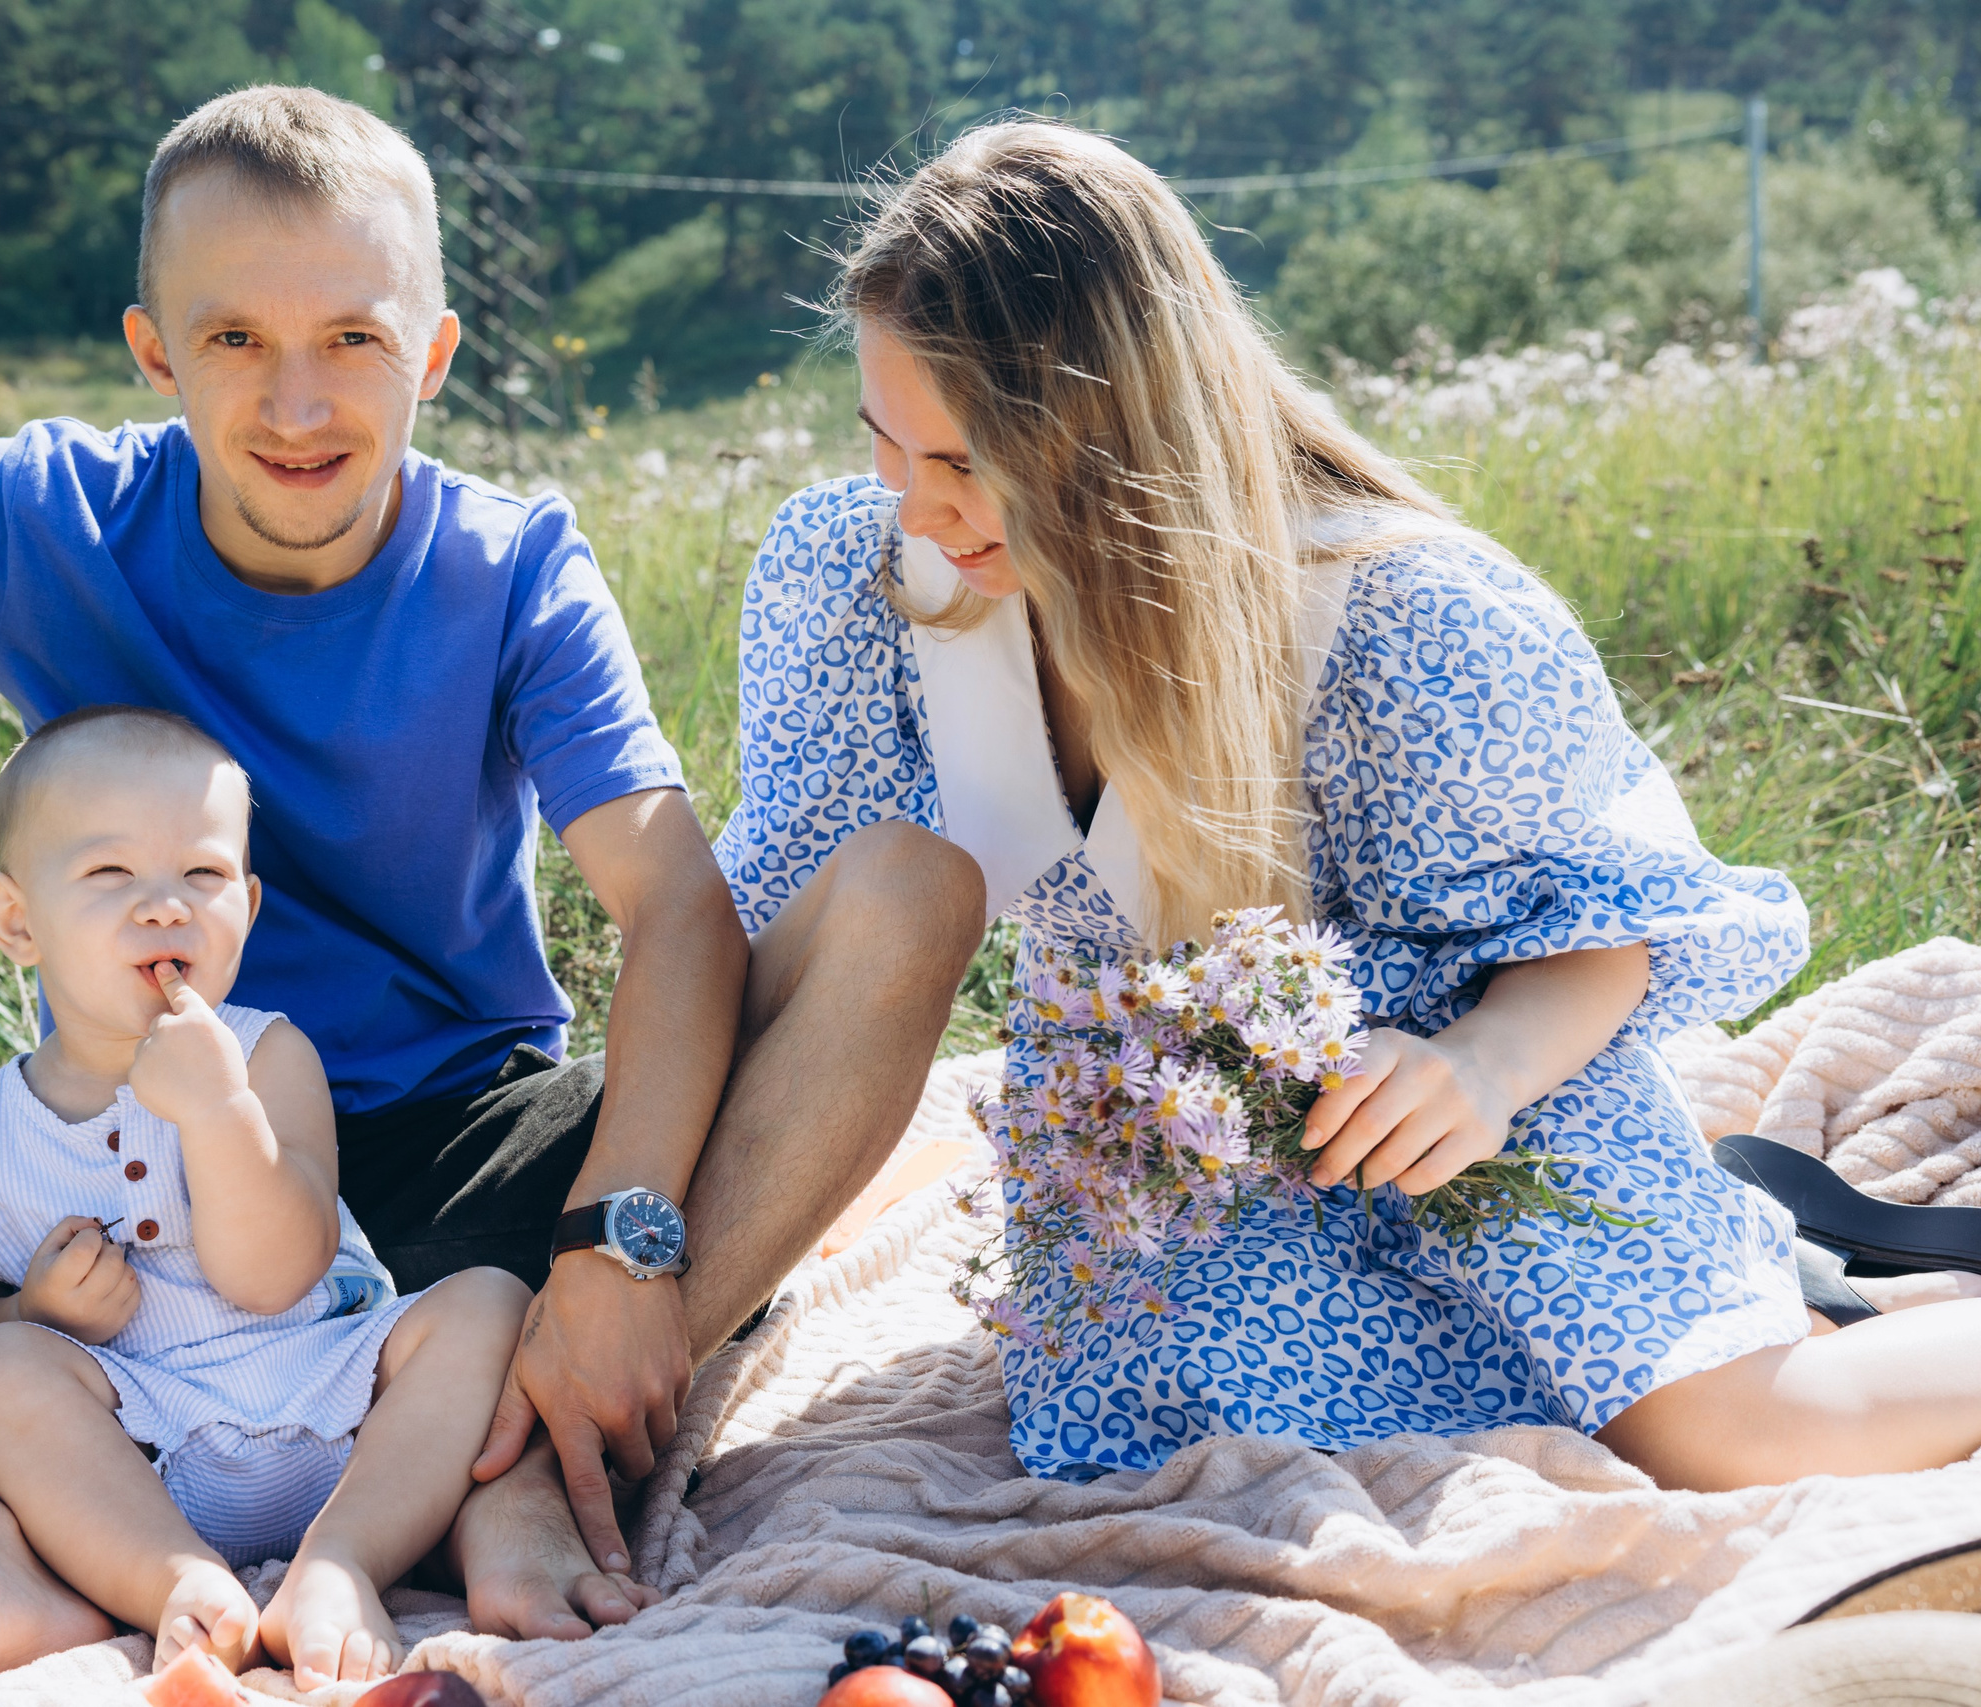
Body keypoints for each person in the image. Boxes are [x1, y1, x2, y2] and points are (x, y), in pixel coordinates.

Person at [0, 86, 984, 1704]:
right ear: (154, 351)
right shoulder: (43, 520)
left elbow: (678, 910)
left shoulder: (512, 566)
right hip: (97, 1162)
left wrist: (615, 1249)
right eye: (234, 339)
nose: (296, 401)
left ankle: (543, 1445)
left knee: (908, 892)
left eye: (352, 337)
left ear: (433, 352)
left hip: (452, 1161)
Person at [712, 118, 1981, 1490]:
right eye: (885, 444)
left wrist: (1480, 1068)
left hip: (1468, 1106)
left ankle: (1776, 1312)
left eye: (963, 463)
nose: (914, 504)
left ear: (1113, 438)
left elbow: (1600, 928)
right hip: (1180, 1150)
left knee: (1730, 1437)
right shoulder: (868, 582)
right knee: (1206, 1449)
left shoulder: (1407, 617)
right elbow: (773, 921)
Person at [0, 705, 525, 1686]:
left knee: (489, 1303)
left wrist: (218, 1111)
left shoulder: (268, 1055)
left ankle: (341, 1562)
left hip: (341, 1400)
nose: (164, 907)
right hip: (141, 1447)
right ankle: (179, 1583)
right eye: (111, 873)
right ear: (16, 920)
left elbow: (277, 1277)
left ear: (248, 903)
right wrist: (29, 1313)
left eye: (203, 874)